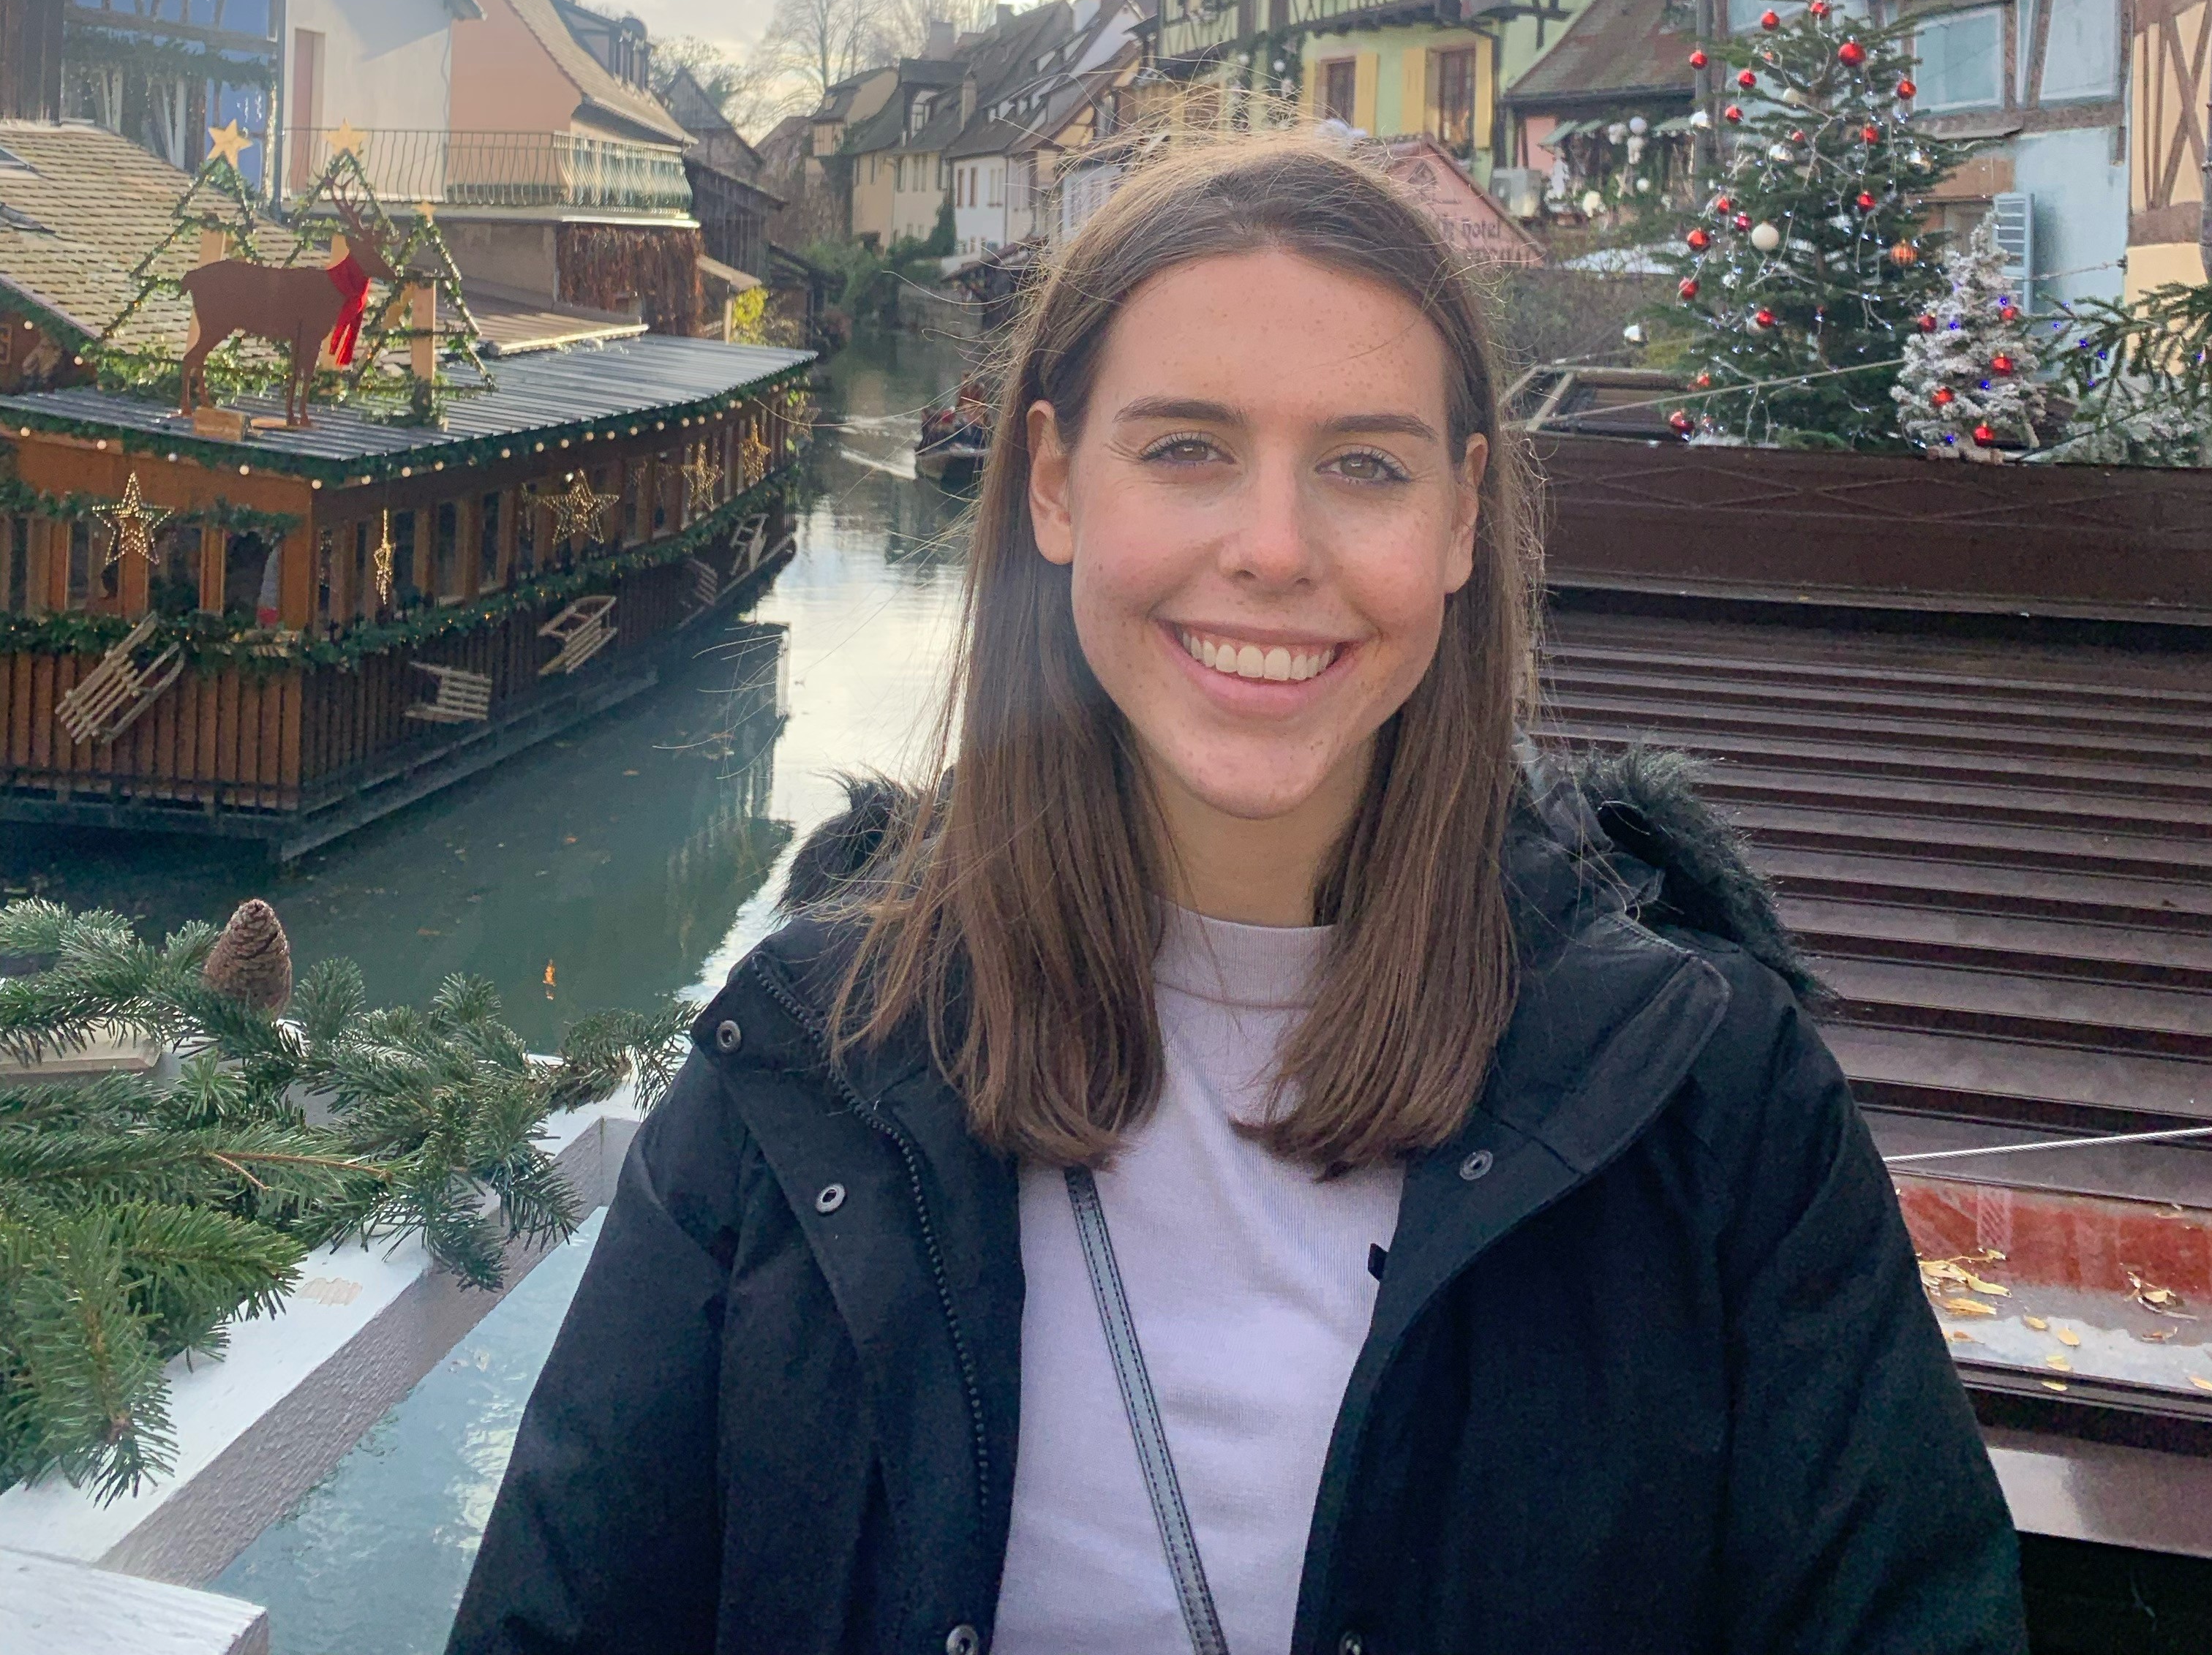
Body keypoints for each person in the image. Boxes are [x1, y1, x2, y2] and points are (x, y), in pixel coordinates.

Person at [448, 137, 2025, 1655]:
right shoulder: (806, 1061)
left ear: (1464, 519)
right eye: (1188, 449)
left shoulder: (1711, 1100)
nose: (1274, 551)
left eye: (1363, 465)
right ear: (1057, 485)